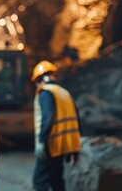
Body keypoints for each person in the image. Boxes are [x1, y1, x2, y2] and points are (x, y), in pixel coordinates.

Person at [31, 60, 81, 191]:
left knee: (39, 181)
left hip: (50, 144)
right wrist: (75, 146)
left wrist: (41, 141)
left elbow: (48, 117)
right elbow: (76, 118)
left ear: (39, 79)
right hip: (64, 145)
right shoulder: (64, 92)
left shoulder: (46, 92)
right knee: (56, 180)